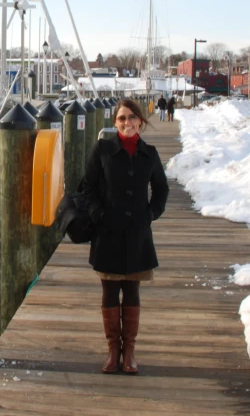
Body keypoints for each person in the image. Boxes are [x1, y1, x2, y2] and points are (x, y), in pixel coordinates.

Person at [81, 98, 169, 374]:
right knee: (109, 290)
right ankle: (113, 351)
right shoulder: (103, 149)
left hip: (137, 235)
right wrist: (99, 215)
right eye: (121, 118)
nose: (127, 123)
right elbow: (87, 188)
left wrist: (151, 214)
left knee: (131, 290)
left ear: (140, 121)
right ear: (115, 122)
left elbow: (162, 189)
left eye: (131, 118)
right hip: (108, 232)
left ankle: (129, 351)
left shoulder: (149, 153)